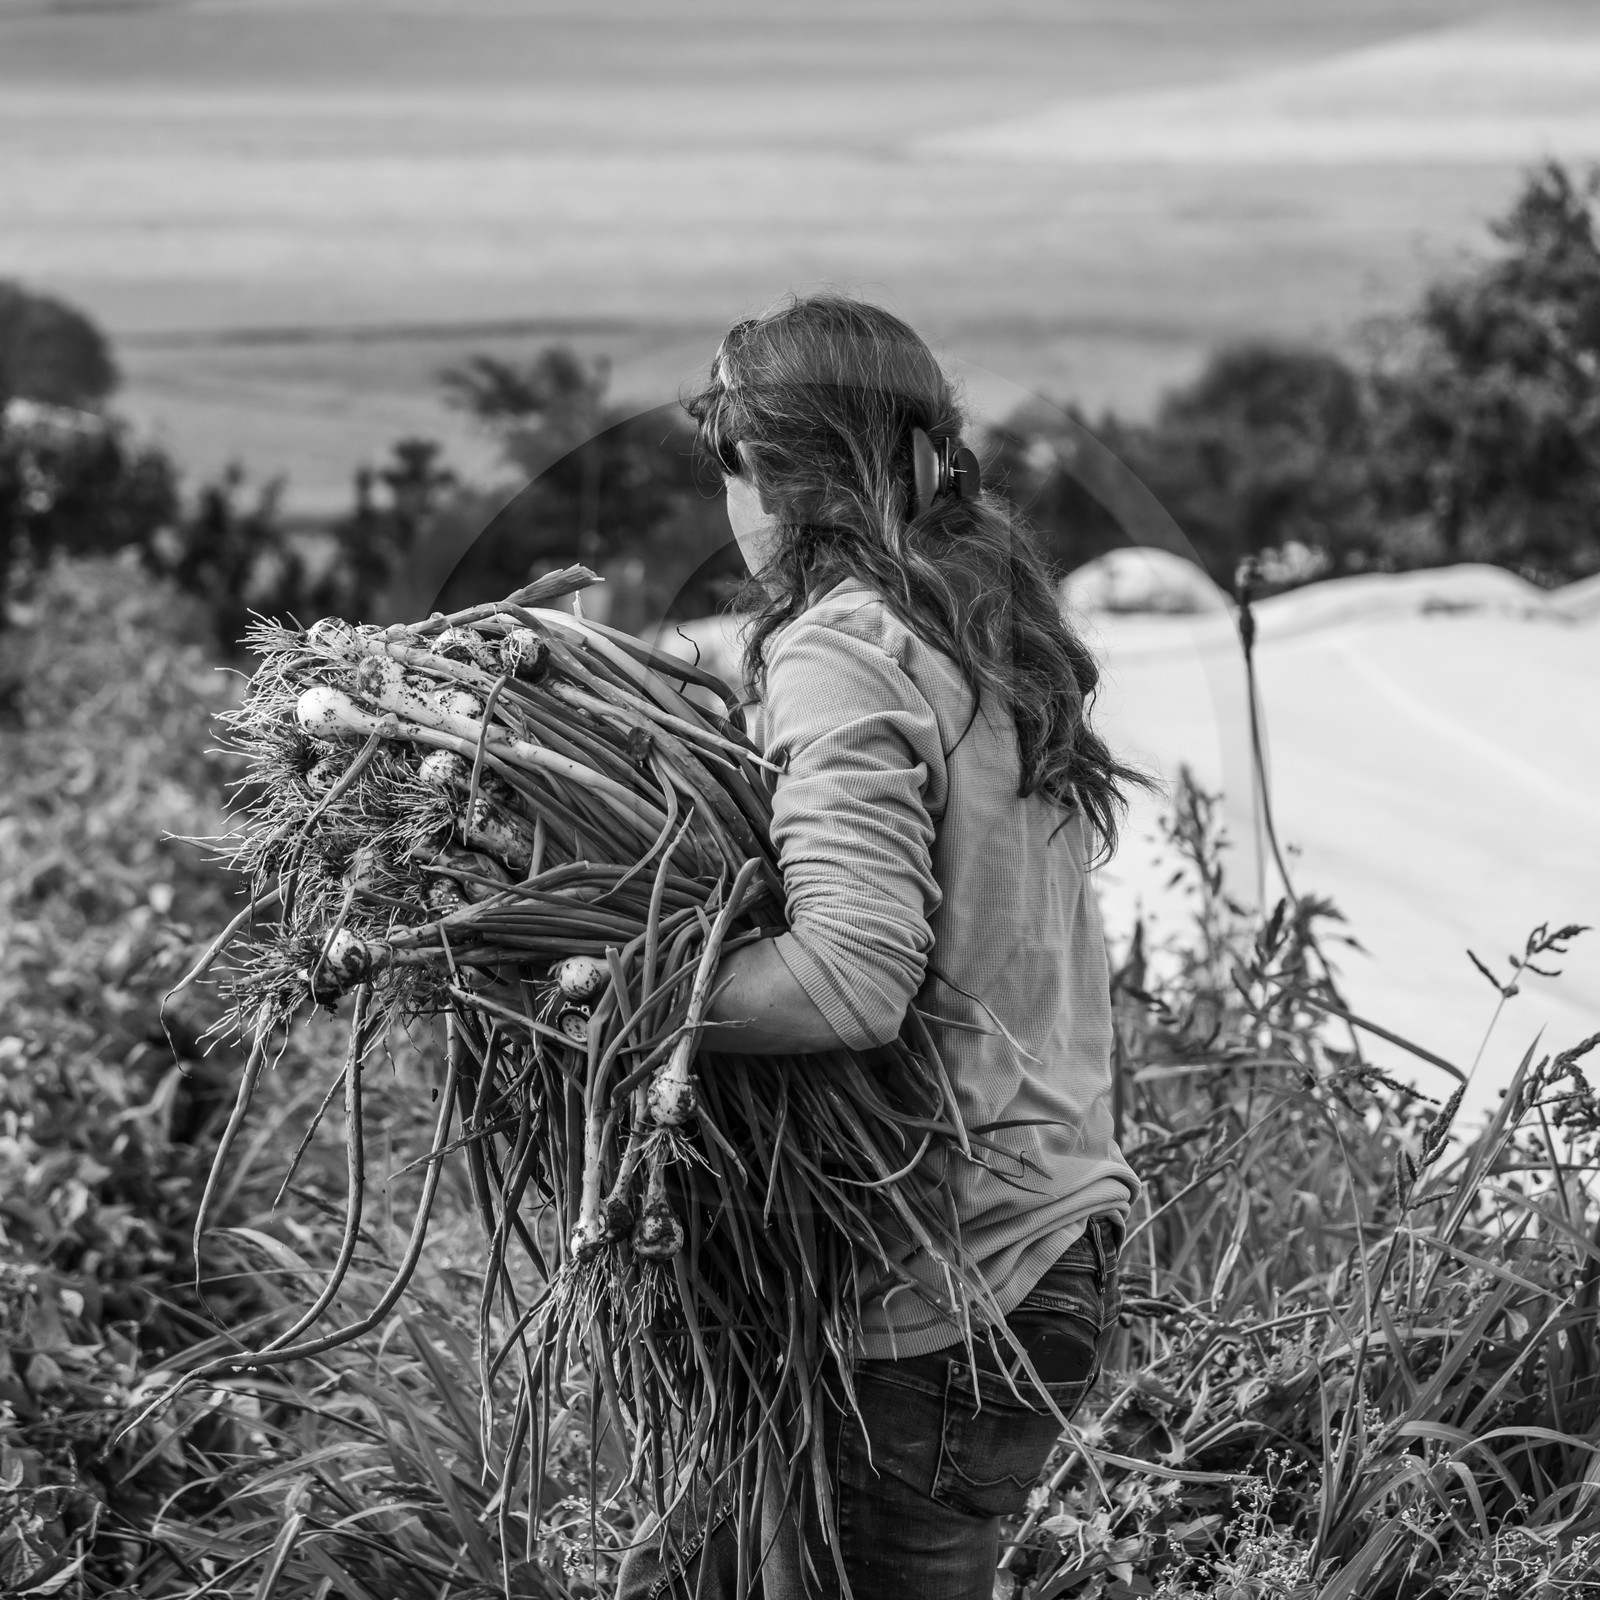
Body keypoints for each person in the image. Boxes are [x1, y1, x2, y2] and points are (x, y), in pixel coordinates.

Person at [616, 293, 1149, 1600]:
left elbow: (851, 981)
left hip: (939, 1291)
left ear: (773, 475)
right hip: (1039, 1253)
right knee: (689, 1572)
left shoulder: (843, 648)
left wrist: (620, 1007)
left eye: (726, 466)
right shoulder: (987, 636)